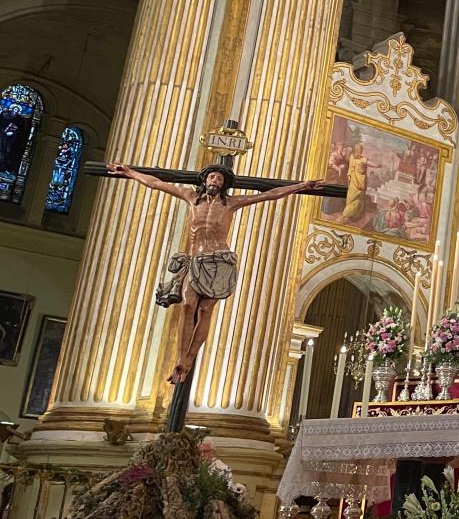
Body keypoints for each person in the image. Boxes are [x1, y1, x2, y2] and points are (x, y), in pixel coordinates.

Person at [106, 162, 322, 383]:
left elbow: (270, 195)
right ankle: (180, 357)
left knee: (206, 310)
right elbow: (156, 183)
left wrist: (300, 186)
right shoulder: (191, 197)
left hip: (219, 261)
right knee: (188, 305)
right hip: (196, 260)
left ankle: (189, 359)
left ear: (224, 183)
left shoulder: (231, 204)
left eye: (219, 179)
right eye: (211, 178)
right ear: (205, 180)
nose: (214, 181)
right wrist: (130, 172)